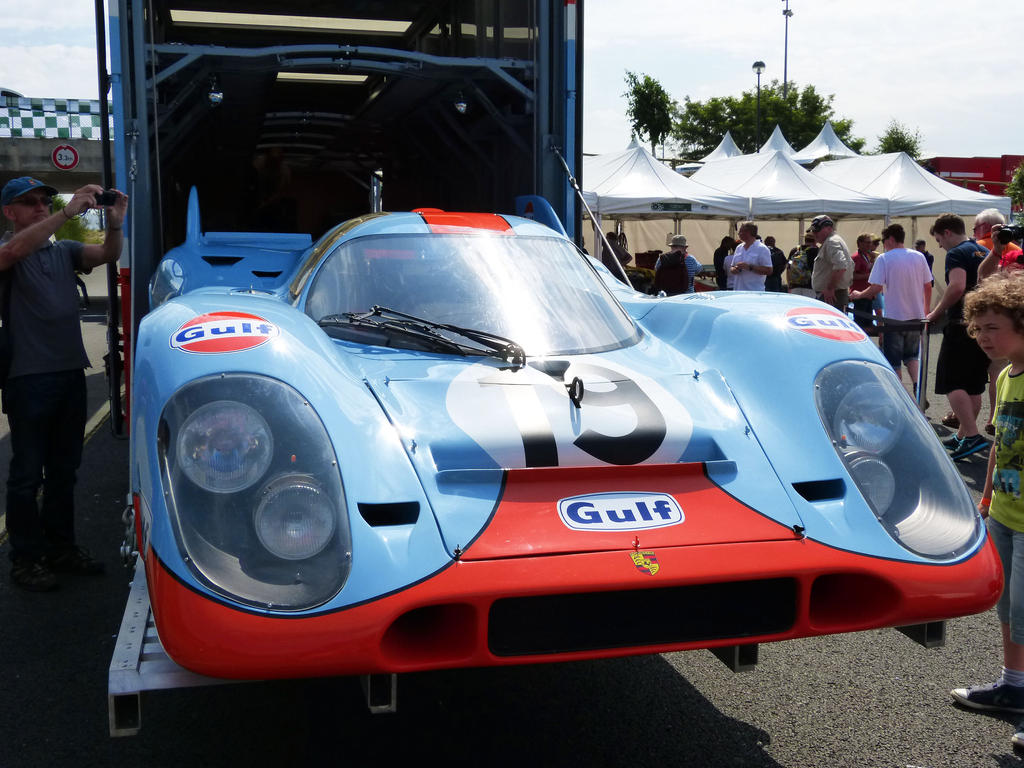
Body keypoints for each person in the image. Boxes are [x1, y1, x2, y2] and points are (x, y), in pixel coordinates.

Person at [0, 177, 128, 591]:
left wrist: (114, 223)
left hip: (71, 374)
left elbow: (108, 253)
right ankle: (26, 558)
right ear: (10, 213)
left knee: (63, 471)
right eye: (29, 202)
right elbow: (14, 251)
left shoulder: (64, 251)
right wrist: (66, 211)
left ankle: (60, 547)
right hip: (28, 379)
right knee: (26, 475)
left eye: (45, 201)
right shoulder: (10, 251)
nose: (40, 207)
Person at [953, 271, 1024, 749]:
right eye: (977, 329)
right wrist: (985, 499)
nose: (982, 338)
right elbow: (1000, 438)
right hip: (1004, 510)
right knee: (1009, 608)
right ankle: (1012, 687)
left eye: (993, 327)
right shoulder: (1004, 376)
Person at [925, 213, 990, 461]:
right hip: (981, 323)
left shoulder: (956, 253)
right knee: (973, 384)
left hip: (960, 324)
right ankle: (964, 435)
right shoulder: (982, 251)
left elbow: (957, 286)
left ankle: (972, 435)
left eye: (940, 240)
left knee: (953, 382)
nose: (940, 245)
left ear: (948, 233)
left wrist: (934, 313)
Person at [849, 224, 932, 394]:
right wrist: (926, 310)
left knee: (894, 360)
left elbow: (875, 288)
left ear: (891, 239)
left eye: (884, 241)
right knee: (911, 356)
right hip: (915, 315)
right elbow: (928, 285)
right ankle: (917, 387)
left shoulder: (884, 259)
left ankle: (900, 395)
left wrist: (857, 295)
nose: (882, 245)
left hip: (894, 317)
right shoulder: (919, 256)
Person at [809, 215, 853, 311]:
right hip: (833, 295)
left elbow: (841, 266)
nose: (814, 233)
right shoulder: (832, 241)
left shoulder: (831, 242)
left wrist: (830, 288)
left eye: (817, 230)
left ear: (828, 228)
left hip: (831, 296)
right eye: (813, 231)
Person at [728, 221, 773, 291]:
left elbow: (769, 271)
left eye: (740, 231)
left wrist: (750, 267)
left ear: (748, 232)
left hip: (754, 292)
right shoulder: (739, 247)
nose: (738, 233)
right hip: (738, 291)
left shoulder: (762, 249)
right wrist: (734, 270)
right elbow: (732, 267)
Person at [850, 233, 876, 329]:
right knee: (860, 322)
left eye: (870, 243)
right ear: (859, 243)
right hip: (860, 294)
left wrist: (872, 260)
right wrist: (868, 276)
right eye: (867, 243)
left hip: (868, 294)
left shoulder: (866, 256)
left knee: (868, 323)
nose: (870, 245)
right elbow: (852, 276)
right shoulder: (856, 257)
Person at [786, 232, 817, 297]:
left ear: (805, 239)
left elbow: (788, 267)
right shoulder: (816, 251)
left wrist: (789, 285)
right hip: (810, 287)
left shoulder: (795, 250)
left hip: (795, 286)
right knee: (808, 307)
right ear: (815, 240)